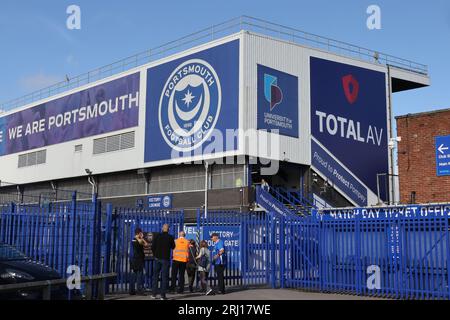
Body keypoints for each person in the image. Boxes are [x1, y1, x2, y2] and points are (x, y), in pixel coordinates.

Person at [151, 224, 175, 300]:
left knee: (155, 277)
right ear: (168, 229)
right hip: (165, 259)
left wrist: (155, 255)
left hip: (157, 259)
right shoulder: (170, 237)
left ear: (162, 228)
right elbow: (173, 247)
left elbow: (152, 247)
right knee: (164, 278)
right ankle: (162, 296)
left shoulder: (157, 236)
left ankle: (154, 294)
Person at [129, 228, 148, 295]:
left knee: (133, 274)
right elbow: (146, 244)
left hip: (134, 259)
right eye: (141, 233)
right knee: (139, 275)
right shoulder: (138, 240)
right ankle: (139, 290)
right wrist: (142, 238)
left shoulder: (133, 239)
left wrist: (140, 237)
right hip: (139, 259)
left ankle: (131, 290)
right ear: (139, 233)